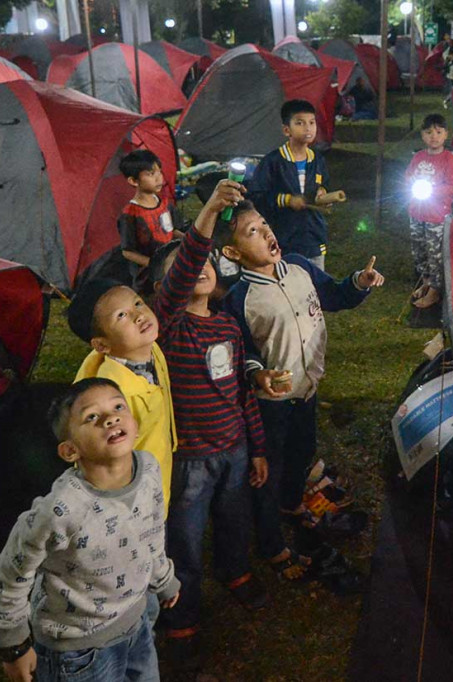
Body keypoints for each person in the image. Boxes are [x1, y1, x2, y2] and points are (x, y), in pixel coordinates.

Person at [218, 202, 384, 585]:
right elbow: (243, 351)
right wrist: (258, 376)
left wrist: (359, 281)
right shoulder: (239, 300)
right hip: (271, 406)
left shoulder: (299, 267)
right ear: (233, 252)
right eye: (252, 232)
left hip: (308, 390)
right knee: (267, 472)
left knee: (302, 452)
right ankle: (271, 542)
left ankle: (292, 503)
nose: (266, 233)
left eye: (264, 224)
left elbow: (335, 295)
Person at [144, 179, 270, 659]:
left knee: (234, 520)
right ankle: (181, 614)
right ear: (162, 290)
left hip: (234, 450)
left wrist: (256, 447)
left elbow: (242, 392)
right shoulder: (169, 328)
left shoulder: (228, 325)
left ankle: (236, 571)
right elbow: (181, 275)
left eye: (200, 263)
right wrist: (210, 214)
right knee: (185, 541)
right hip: (190, 459)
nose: (195, 269)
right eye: (180, 268)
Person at [0, 379, 180, 682]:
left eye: (118, 407)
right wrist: (13, 644)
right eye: (92, 417)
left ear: (135, 424)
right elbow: (11, 573)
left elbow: (151, 532)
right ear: (69, 451)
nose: (110, 418)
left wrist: (162, 578)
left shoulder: (149, 469)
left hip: (137, 624)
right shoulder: (60, 510)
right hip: (78, 652)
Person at [67, 278, 176, 515]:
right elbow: (99, 460)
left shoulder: (151, 348)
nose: (138, 315)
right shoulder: (112, 395)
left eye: (137, 303)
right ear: (102, 345)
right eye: (121, 316)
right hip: (131, 504)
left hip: (158, 479)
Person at [248, 100, 332, 270]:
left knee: (317, 284)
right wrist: (286, 200)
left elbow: (325, 184)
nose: (308, 128)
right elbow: (256, 196)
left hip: (313, 236)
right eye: (300, 123)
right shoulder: (273, 162)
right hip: (284, 237)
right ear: (287, 130)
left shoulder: (317, 160)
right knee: (287, 282)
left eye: (311, 122)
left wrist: (323, 193)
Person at [405, 114, 453, 310]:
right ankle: (426, 281)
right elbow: (408, 176)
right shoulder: (418, 157)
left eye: (438, 132)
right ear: (422, 135)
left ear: (446, 135)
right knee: (419, 249)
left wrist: (431, 190)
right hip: (416, 212)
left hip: (436, 216)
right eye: (429, 132)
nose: (433, 136)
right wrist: (412, 183)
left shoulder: (449, 160)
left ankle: (436, 290)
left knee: (434, 252)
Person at [117, 149, 189, 289]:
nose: (159, 178)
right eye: (150, 174)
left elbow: (171, 230)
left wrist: (189, 241)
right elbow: (128, 252)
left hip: (171, 264)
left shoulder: (164, 202)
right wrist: (156, 265)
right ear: (133, 181)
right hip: (148, 277)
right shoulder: (130, 214)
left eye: (159, 172)